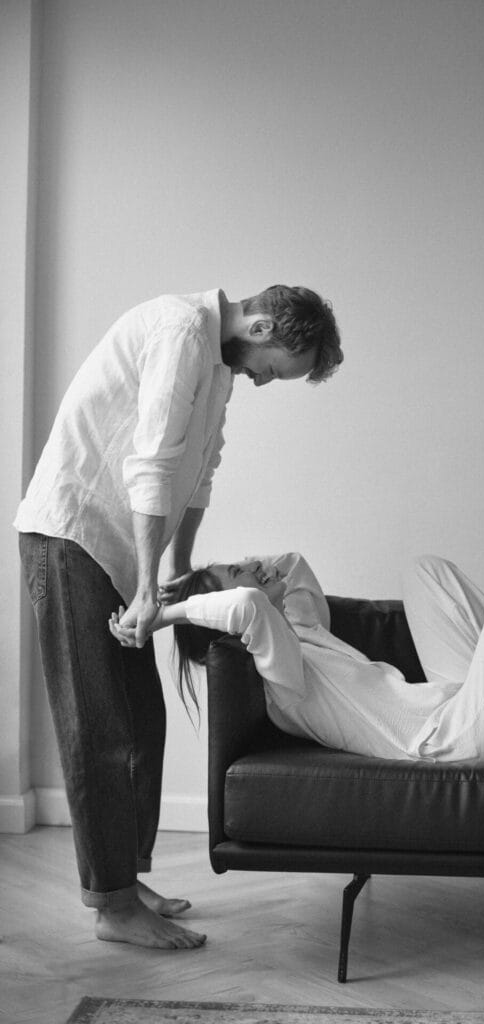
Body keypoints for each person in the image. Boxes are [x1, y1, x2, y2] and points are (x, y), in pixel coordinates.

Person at [14, 285, 343, 950]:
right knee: (99, 725)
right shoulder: (180, 330)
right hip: (73, 537)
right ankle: (111, 907)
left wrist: (174, 569)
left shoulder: (218, 368)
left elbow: (199, 473)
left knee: (141, 722)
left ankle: (126, 881)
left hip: (119, 553)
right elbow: (153, 463)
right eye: (273, 368)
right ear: (257, 324)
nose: (263, 380)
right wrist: (143, 586)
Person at [111, 551, 484, 768]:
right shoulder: (280, 683)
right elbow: (249, 607)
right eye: (239, 569)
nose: (253, 564)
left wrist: (241, 573)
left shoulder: (299, 630)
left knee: (424, 570)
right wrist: (169, 613)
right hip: (455, 741)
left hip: (461, 708)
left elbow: (294, 565)